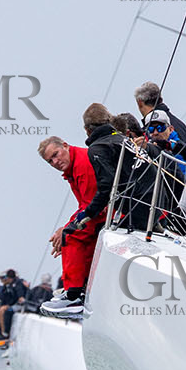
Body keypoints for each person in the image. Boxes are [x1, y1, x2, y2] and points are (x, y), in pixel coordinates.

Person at [40, 105, 120, 318]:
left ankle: (74, 294)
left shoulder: (82, 163)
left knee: (71, 235)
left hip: (109, 210)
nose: (55, 162)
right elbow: (86, 204)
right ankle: (78, 289)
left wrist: (66, 229)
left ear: (65, 146)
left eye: (56, 155)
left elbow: (94, 202)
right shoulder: (72, 168)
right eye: (50, 161)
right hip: (102, 209)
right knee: (72, 231)